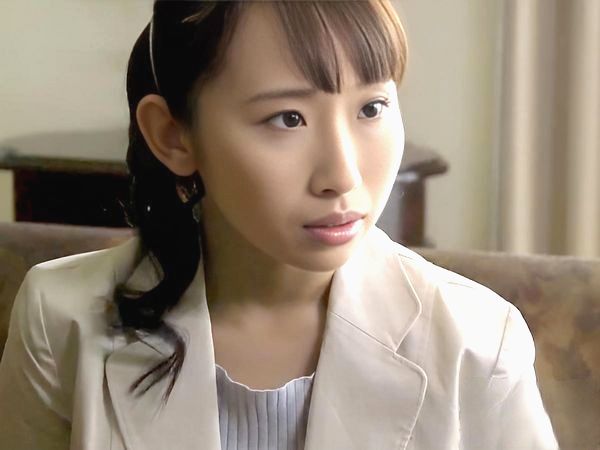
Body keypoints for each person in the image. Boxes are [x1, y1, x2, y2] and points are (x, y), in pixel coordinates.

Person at [0, 1, 559, 449]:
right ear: (173, 135)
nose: (342, 175)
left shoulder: (478, 345)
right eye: (287, 118)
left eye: (371, 108)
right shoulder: (61, 322)